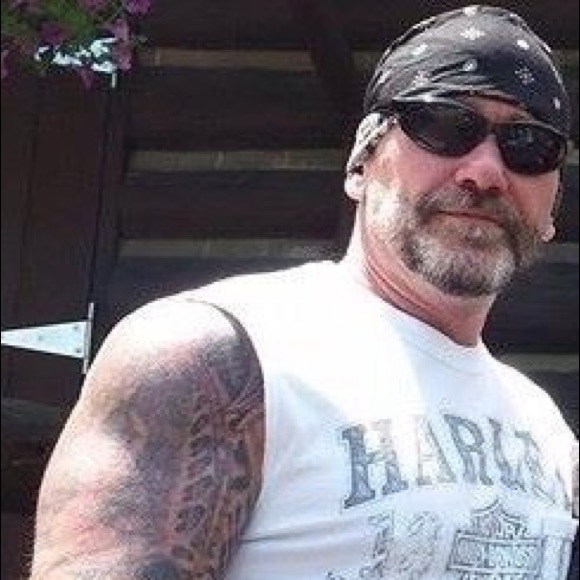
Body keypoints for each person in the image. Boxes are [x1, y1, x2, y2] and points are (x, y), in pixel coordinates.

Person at [30, 4, 577, 579]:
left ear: (551, 209)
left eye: (528, 145)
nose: (485, 171)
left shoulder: (543, 429)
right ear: (361, 163)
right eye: (444, 125)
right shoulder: (219, 354)